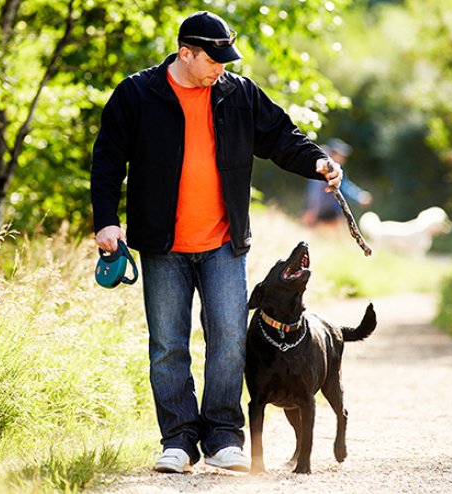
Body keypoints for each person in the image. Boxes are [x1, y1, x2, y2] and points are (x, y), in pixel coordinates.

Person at [90, 11, 342, 474]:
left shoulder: (238, 93)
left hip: (224, 243)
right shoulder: (137, 94)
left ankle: (224, 437)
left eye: (227, 59)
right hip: (163, 244)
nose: (221, 68)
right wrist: (106, 220)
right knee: (168, 344)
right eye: (213, 59)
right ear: (186, 53)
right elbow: (107, 158)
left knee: (229, 340)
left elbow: (282, 137)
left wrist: (319, 162)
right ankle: (179, 440)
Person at [301, 138, 372, 228]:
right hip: (324, 213)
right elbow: (315, 192)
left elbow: (344, 185)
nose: (344, 159)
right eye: (342, 155)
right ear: (334, 153)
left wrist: (359, 196)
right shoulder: (325, 168)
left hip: (328, 211)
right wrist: (312, 211)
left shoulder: (332, 167)